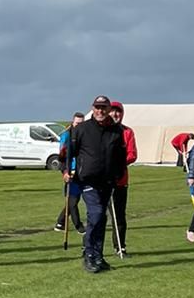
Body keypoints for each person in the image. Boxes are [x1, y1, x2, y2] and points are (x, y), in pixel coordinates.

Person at [64, 95, 126, 273]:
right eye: (97, 107)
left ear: (108, 109)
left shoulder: (116, 131)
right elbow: (68, 153)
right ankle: (89, 255)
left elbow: (120, 156)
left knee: (101, 219)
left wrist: (118, 175)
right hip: (87, 180)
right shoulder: (82, 129)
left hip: (107, 181)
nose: (100, 111)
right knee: (96, 214)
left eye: (104, 107)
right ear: (93, 108)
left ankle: (98, 255)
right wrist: (66, 170)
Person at [109, 101, 137, 255]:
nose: (115, 114)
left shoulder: (127, 132)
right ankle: (91, 247)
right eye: (113, 111)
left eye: (118, 112)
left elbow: (132, 154)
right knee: (96, 216)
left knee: (119, 216)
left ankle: (120, 246)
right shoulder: (102, 130)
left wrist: (118, 164)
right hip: (102, 180)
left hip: (120, 180)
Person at [55, 113, 86, 233]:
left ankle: (60, 222)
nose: (79, 125)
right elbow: (62, 157)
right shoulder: (67, 135)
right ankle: (79, 226)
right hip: (71, 171)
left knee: (72, 200)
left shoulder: (84, 134)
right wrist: (65, 172)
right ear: (73, 122)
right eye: (77, 123)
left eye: (81, 123)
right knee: (73, 200)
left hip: (82, 171)